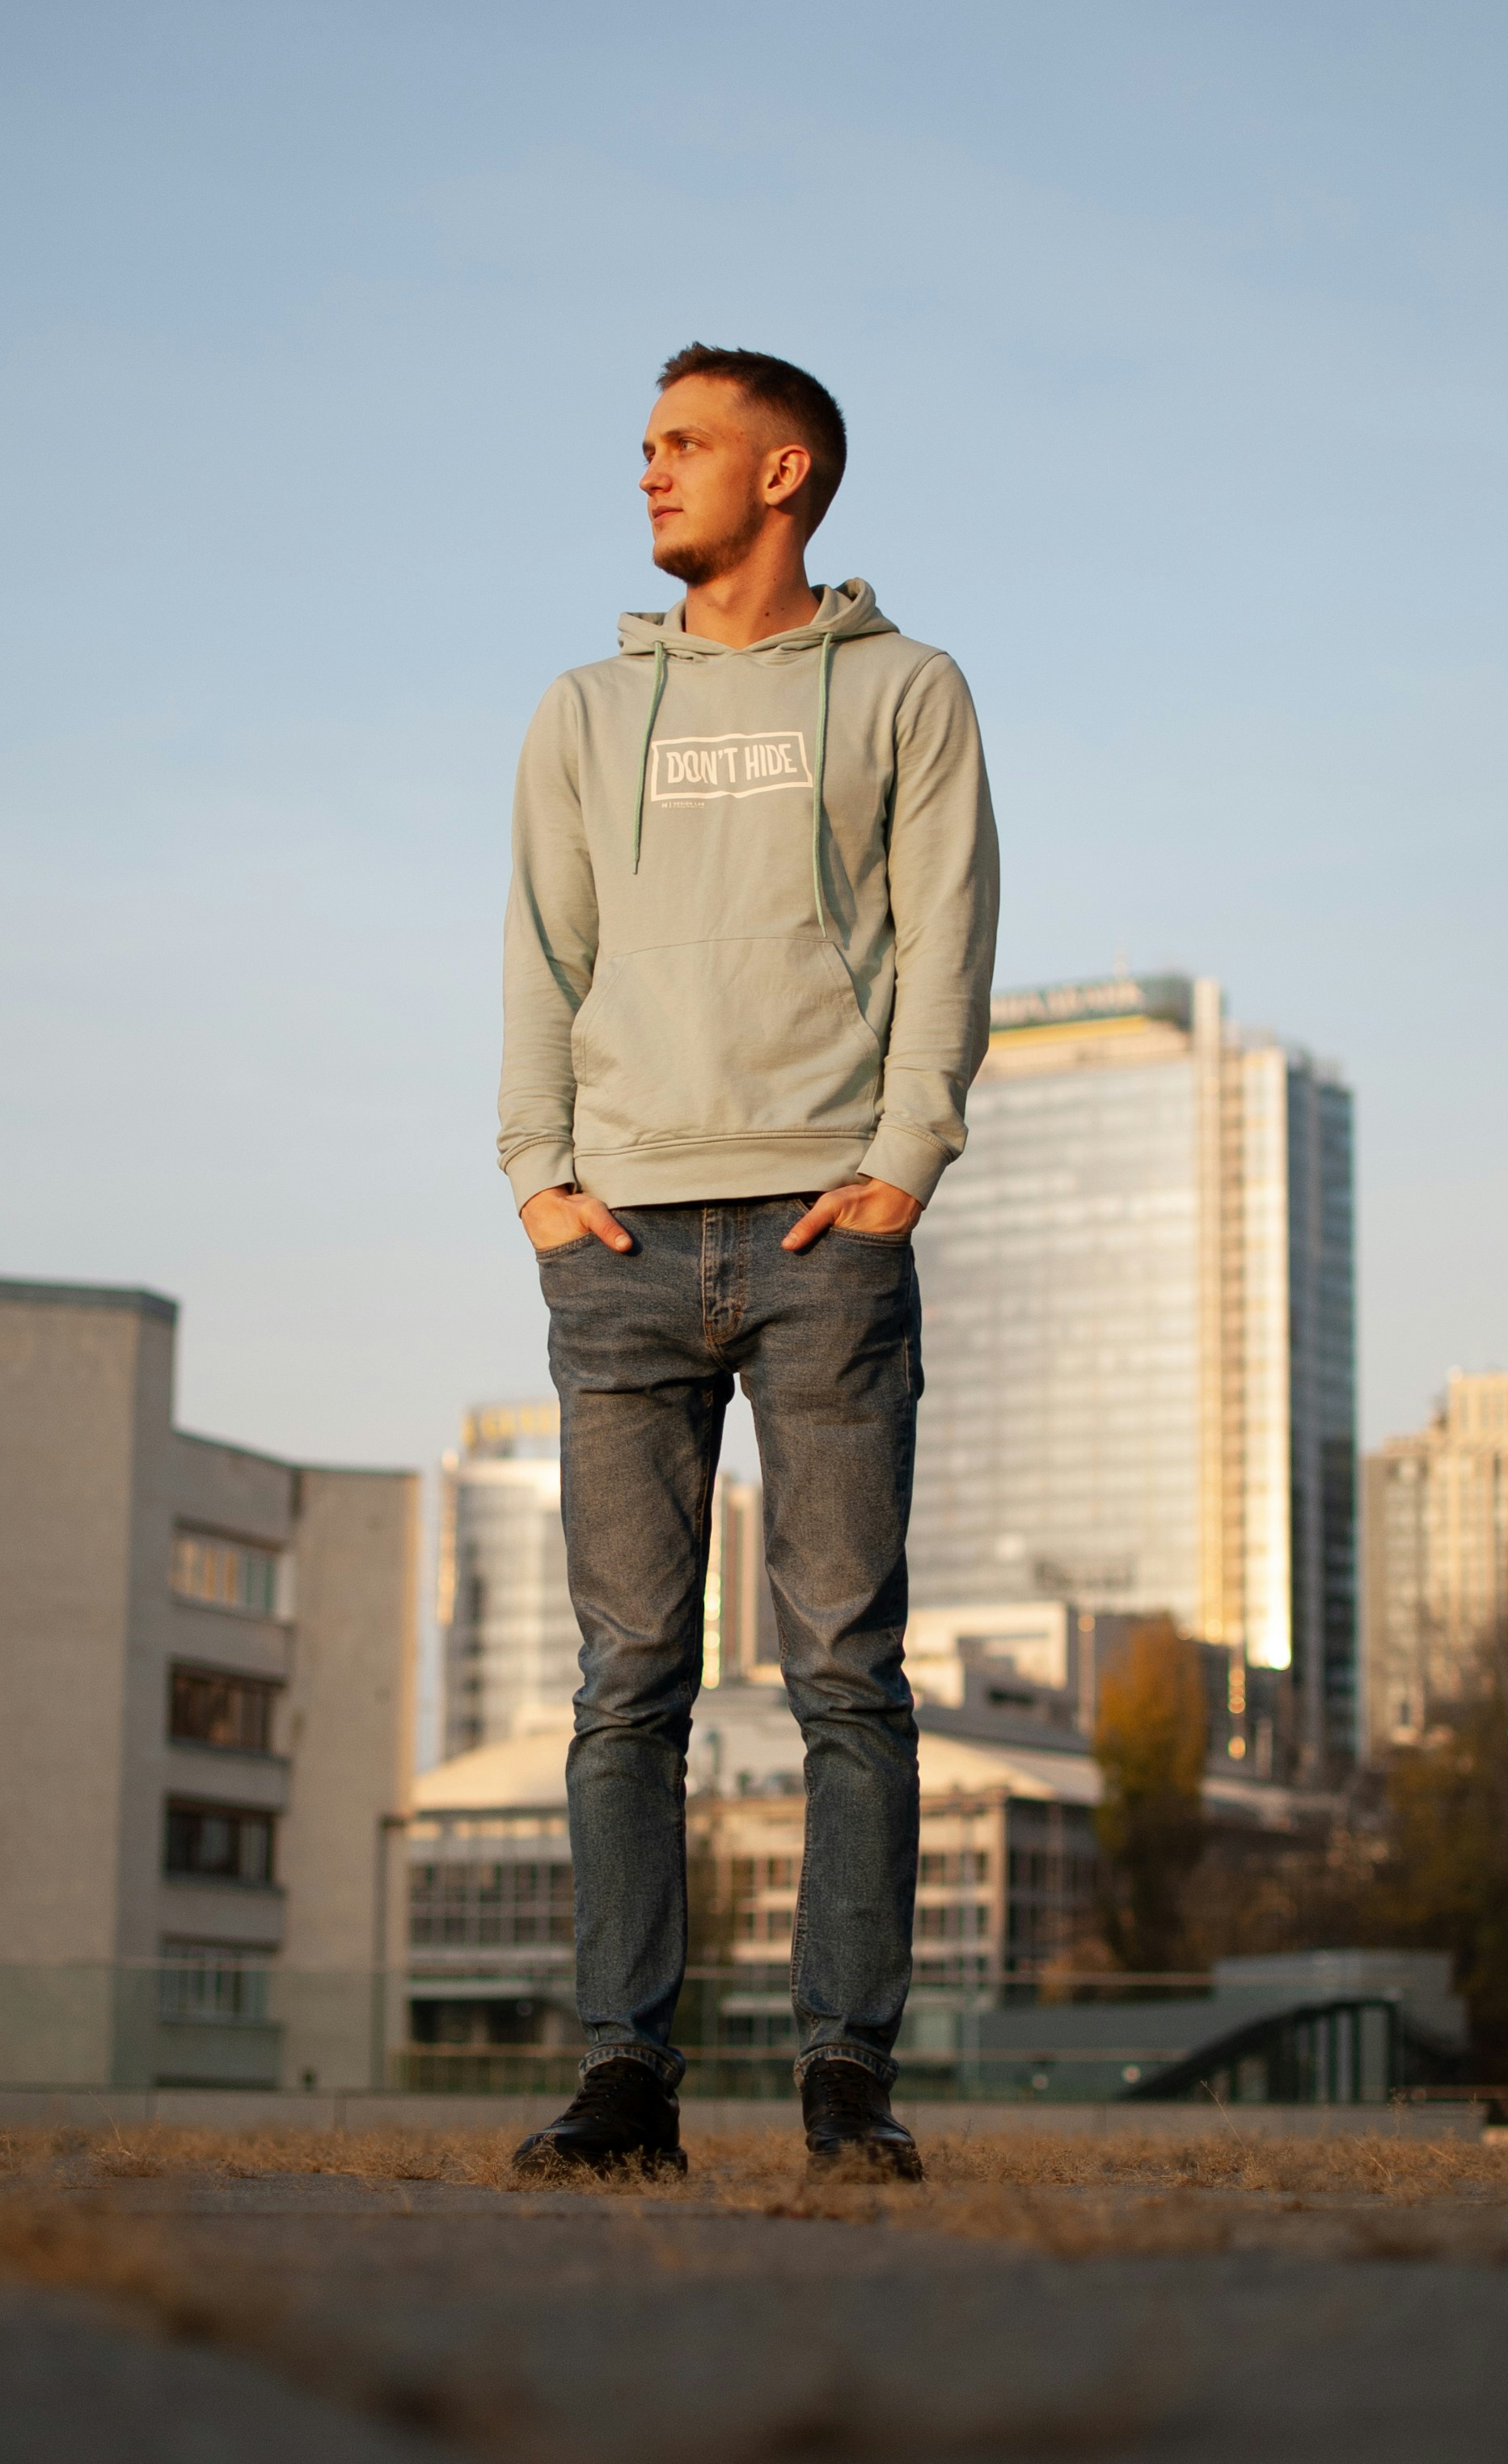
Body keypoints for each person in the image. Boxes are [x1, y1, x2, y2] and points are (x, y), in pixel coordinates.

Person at [498, 342, 998, 2179]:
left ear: (785, 475)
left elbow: (947, 941)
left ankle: (845, 2081)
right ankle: (625, 2075)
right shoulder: (579, 711)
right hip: (619, 1242)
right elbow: (541, 953)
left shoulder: (906, 691)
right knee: (626, 1681)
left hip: (821, 1239)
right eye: (643, 444)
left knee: (843, 1675)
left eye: (684, 445)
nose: (649, 473)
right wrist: (537, 1177)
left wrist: (899, 1166)